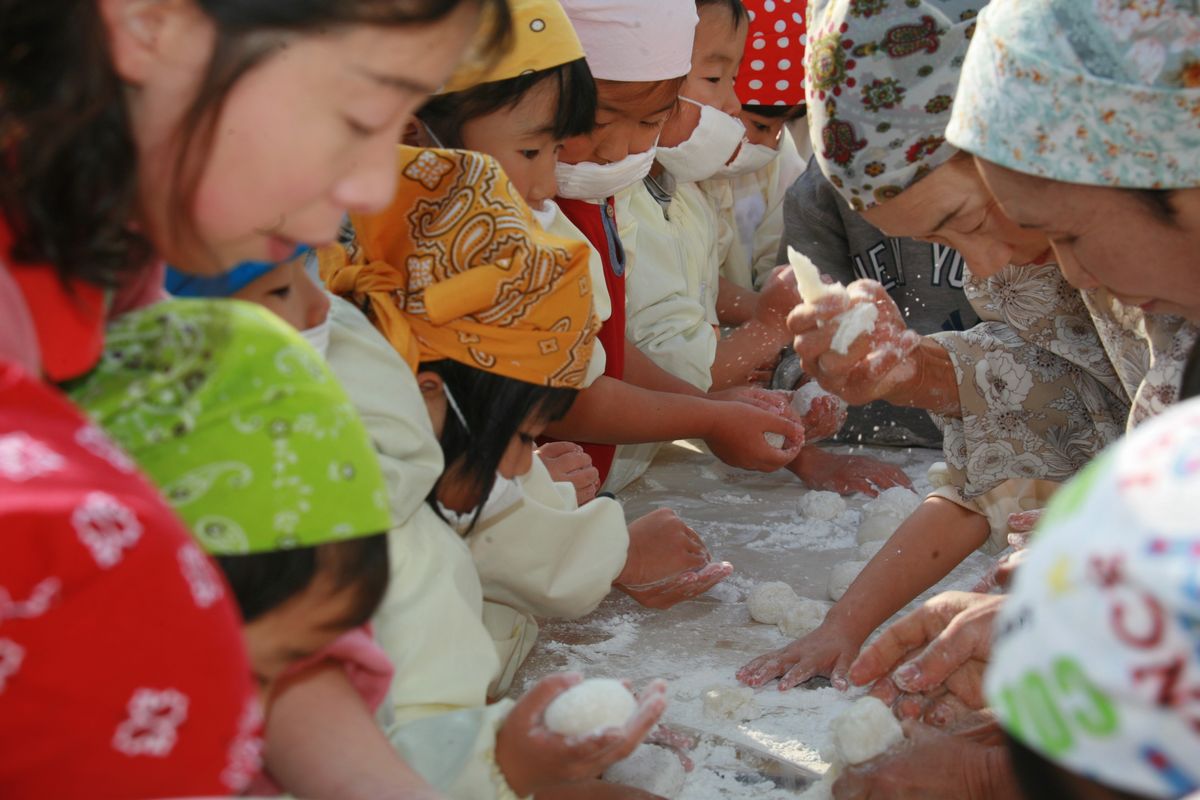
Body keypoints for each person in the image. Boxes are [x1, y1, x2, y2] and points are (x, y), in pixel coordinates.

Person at [2, 0, 502, 794]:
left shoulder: (105, 249)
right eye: (360, 113)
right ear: (148, 22)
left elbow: (263, 637)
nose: (376, 186)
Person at [323, 145, 690, 797]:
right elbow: (410, 770)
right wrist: (516, 771)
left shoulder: (369, 490)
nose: (526, 466)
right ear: (430, 398)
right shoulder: (394, 558)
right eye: (521, 438)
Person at [738, 0, 1067, 693]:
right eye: (947, 244)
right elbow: (1007, 448)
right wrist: (913, 374)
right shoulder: (1025, 260)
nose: (980, 268)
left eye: (966, 219)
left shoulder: (1115, 243)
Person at [550, 0, 806, 493]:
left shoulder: (637, 189)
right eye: (715, 80)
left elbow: (615, 347)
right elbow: (580, 388)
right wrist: (765, 330)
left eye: (651, 123)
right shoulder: (567, 203)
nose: (732, 106)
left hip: (603, 481)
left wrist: (716, 409)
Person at [704, 0, 808, 295]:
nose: (772, 142)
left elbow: (782, 263)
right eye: (761, 125)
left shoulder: (781, 162)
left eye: (784, 127)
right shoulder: (664, 165)